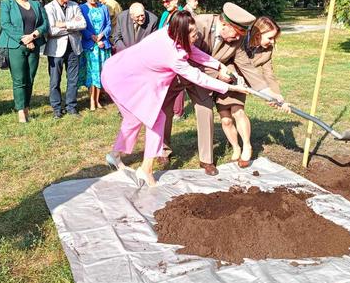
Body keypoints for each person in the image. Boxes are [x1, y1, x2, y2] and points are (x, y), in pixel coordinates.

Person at [102, 11, 246, 186]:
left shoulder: (170, 32)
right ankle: (146, 170)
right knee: (157, 118)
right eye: (193, 35)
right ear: (182, 34)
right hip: (123, 80)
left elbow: (194, 51)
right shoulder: (173, 56)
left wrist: (218, 65)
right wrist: (230, 87)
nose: (196, 37)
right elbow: (199, 77)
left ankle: (114, 156)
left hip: (115, 70)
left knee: (133, 120)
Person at [162, 2, 280, 175]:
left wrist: (269, 94)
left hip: (202, 79)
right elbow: (187, 57)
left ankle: (206, 160)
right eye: (236, 33)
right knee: (165, 111)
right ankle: (162, 149)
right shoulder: (197, 25)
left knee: (205, 109)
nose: (237, 38)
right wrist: (218, 73)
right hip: (177, 73)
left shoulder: (236, 38)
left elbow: (247, 66)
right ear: (224, 24)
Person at [218, 16, 291, 167]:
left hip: (245, 82)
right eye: (270, 37)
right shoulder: (241, 38)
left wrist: (276, 96)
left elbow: (268, 73)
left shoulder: (267, 50)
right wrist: (233, 76)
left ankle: (246, 146)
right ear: (259, 34)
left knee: (237, 111)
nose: (272, 42)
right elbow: (228, 60)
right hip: (226, 77)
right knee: (225, 118)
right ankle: (236, 147)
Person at [0, 0, 49, 123]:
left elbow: (45, 23)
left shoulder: (36, 4)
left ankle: (26, 107)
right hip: (16, 46)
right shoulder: (7, 3)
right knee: (19, 79)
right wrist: (24, 39)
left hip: (34, 45)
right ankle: (21, 111)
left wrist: (34, 35)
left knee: (30, 78)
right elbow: (6, 25)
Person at [44, 0, 87, 118]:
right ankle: (56, 108)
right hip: (55, 49)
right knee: (55, 80)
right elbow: (51, 31)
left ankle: (71, 107)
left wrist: (63, 24)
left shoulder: (75, 6)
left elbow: (83, 24)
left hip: (74, 48)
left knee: (73, 79)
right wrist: (72, 26)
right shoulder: (49, 8)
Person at [80, 0, 112, 111]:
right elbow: (81, 25)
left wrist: (102, 35)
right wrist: (91, 36)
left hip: (102, 45)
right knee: (92, 74)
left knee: (100, 73)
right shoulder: (82, 8)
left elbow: (109, 25)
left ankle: (98, 99)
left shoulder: (103, 8)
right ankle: (91, 101)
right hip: (90, 46)